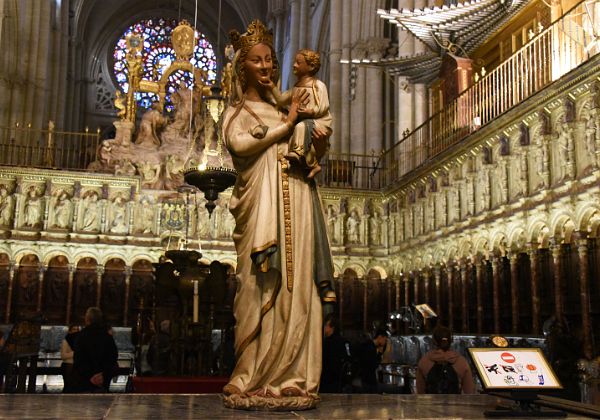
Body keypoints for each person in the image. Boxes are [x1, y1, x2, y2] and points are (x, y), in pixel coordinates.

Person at [221, 20, 335, 410]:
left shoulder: (287, 104)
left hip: (299, 202)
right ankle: (251, 374)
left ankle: (293, 377)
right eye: (258, 61)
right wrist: (285, 127)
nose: (267, 67)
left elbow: (310, 139)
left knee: (297, 283)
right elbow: (237, 142)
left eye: (271, 60)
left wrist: (315, 138)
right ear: (243, 68)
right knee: (259, 286)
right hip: (262, 213)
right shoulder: (239, 110)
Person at [267, 49, 333, 179]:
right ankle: (312, 164)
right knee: (299, 131)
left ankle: (298, 153)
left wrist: (311, 111)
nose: (294, 65)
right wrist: (271, 86)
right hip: (304, 122)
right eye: (294, 62)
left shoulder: (318, 85)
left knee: (300, 128)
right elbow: (281, 100)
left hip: (319, 121)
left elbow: (324, 106)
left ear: (311, 66)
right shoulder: (297, 87)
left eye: (298, 62)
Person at [415, 325, 475, 394]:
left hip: (432, 404)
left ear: (434, 341)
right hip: (455, 403)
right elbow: (469, 392)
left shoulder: (424, 361)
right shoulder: (461, 362)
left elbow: (420, 392)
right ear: (451, 340)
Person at [72, 307, 118, 393]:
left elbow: (78, 360)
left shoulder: (81, 337)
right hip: (102, 381)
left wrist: (90, 377)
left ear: (87, 319)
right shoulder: (107, 337)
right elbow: (113, 358)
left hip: (85, 382)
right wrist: (103, 375)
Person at [320, 314, 351, 393]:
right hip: (340, 382)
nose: (324, 328)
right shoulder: (344, 342)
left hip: (328, 381)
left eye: (326, 325)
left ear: (332, 327)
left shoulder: (327, 343)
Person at [356, 329, 389, 393]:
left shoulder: (369, 345)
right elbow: (374, 365)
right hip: (368, 380)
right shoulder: (370, 348)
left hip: (365, 378)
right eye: (385, 339)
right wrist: (379, 353)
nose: (385, 342)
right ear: (380, 337)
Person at [60, 325, 80, 393]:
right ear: (70, 331)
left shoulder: (79, 341)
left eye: (77, 329)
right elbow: (63, 356)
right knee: (68, 386)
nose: (76, 331)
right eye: (74, 329)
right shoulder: (66, 341)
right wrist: (75, 353)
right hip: (68, 365)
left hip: (77, 366)